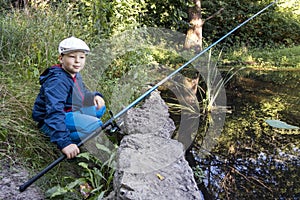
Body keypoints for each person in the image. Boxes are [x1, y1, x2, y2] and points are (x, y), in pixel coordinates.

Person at [32, 36, 106, 159]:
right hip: (48, 121)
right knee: (97, 125)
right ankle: (63, 140)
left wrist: (95, 96)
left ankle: (75, 131)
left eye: (82, 57)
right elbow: (54, 111)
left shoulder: (74, 74)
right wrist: (64, 143)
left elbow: (81, 94)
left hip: (69, 110)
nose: (77, 61)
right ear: (61, 58)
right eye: (72, 57)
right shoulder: (57, 81)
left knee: (99, 108)